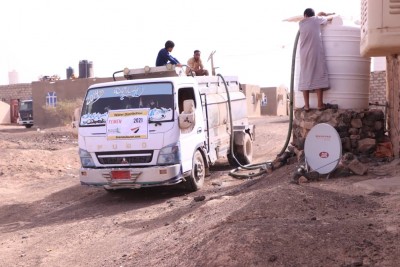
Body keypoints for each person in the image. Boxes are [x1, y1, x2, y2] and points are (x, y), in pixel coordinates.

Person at [298, 8, 334, 111]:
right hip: (315, 53)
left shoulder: (301, 23)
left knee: (305, 77)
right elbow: (328, 18)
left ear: (305, 15)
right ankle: (320, 104)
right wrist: (328, 15)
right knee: (318, 75)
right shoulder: (316, 20)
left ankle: (307, 106)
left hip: (304, 55)